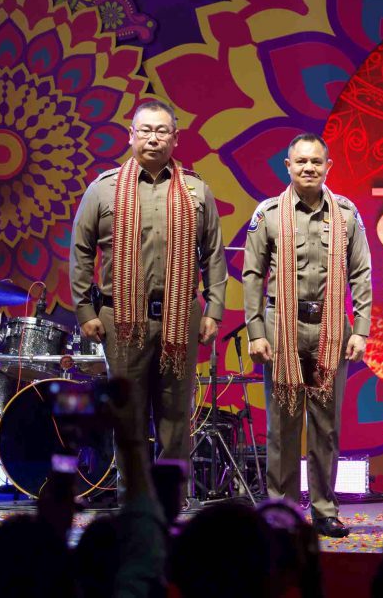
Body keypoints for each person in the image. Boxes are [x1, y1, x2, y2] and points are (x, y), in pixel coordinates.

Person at [70, 99, 228, 488]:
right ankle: (135, 498)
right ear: (131, 135)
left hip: (181, 317)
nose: (153, 138)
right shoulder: (103, 189)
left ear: (175, 138)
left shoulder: (196, 190)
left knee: (176, 415)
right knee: (129, 415)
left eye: (161, 131)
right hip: (121, 319)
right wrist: (85, 310)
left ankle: (172, 499)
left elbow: (213, 254)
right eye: (145, 130)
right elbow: (81, 251)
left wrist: (214, 311)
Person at [242, 133, 372, 538]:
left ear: (328, 167)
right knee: (282, 425)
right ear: (288, 166)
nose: (309, 168)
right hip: (281, 328)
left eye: (316, 161)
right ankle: (280, 509)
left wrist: (361, 329)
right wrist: (255, 331)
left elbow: (361, 273)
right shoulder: (268, 214)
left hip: (331, 330)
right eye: (301, 161)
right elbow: (252, 274)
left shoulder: (346, 214)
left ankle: (324, 510)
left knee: (326, 426)